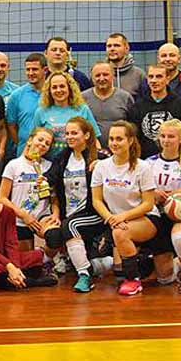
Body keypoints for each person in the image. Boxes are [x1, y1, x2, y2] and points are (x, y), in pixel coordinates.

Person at [90, 121, 158, 296]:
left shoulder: (143, 167)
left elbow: (148, 204)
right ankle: (134, 266)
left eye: (119, 139)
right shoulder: (101, 166)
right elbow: (97, 200)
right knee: (118, 267)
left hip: (145, 217)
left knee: (120, 233)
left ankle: (133, 280)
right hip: (115, 219)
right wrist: (110, 218)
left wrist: (122, 217)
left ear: (130, 141)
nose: (114, 143)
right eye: (111, 139)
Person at [43, 117, 107, 293]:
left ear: (86, 135)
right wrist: (42, 181)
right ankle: (83, 263)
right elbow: (50, 178)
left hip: (93, 213)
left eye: (74, 133)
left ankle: (84, 275)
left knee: (70, 225)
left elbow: (118, 165)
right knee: (53, 235)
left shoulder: (99, 158)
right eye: (67, 133)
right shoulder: (63, 157)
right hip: (69, 214)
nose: (69, 137)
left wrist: (104, 165)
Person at [0, 175, 56, 290]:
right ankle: (32, 282)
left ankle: (12, 280)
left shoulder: (8, 212)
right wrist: (9, 266)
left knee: (37, 255)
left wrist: (15, 267)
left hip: (7, 258)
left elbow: (11, 243)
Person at [146, 119, 181, 294]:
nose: (166, 140)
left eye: (171, 136)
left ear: (180, 139)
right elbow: (140, 188)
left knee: (180, 237)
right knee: (164, 278)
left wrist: (172, 195)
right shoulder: (149, 163)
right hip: (157, 215)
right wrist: (153, 192)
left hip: (180, 215)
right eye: (162, 136)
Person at [0, 127, 57, 250]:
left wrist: (56, 214)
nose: (43, 144)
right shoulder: (13, 165)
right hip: (20, 219)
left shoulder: (50, 166)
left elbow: (54, 197)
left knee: (55, 237)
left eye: (47, 144)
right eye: (40, 140)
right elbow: (2, 198)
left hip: (42, 216)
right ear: (30, 140)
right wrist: (24, 216)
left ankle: (47, 257)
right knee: (27, 259)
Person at [128, 65, 181, 160]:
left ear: (168, 79)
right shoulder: (138, 106)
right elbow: (134, 138)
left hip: (174, 161)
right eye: (151, 77)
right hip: (146, 161)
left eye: (159, 76)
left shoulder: (180, 104)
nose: (154, 80)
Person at [31, 71, 100, 160]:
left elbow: (94, 139)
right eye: (54, 87)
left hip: (77, 162)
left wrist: (97, 160)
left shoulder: (82, 109)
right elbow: (33, 140)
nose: (58, 90)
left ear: (69, 88)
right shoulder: (41, 112)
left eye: (62, 86)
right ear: (49, 91)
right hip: (49, 163)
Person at [83, 61, 134, 148]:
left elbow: (133, 126)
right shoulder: (82, 98)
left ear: (113, 76)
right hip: (91, 150)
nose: (101, 78)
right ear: (92, 78)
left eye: (105, 74)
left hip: (120, 150)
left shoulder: (125, 97)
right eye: (97, 75)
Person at [6, 53, 47, 157]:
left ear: (45, 70)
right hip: (24, 153)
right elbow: (11, 125)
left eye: (35, 69)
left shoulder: (53, 93)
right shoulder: (16, 95)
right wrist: (23, 143)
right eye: (28, 69)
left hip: (49, 153)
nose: (30, 73)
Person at [105, 33, 144, 97]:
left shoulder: (139, 74)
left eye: (116, 45)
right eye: (109, 46)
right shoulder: (99, 74)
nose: (112, 49)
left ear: (126, 49)